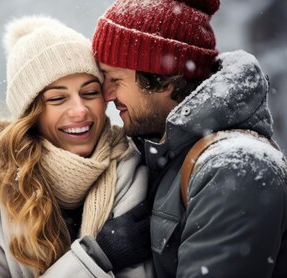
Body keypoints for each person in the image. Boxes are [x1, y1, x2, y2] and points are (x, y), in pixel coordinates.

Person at [90, 0, 287, 277]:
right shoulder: (166, 153)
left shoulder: (234, 169)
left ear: (164, 79)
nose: (107, 95)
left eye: (115, 79)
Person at [0, 15, 153, 277]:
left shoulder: (130, 169)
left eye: (90, 92)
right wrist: (96, 257)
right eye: (58, 98)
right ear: (30, 113)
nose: (80, 110)